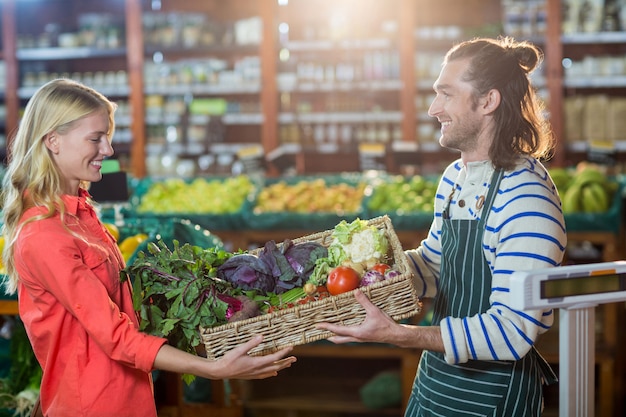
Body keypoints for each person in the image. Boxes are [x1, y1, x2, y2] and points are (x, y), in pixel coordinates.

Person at [0, 78, 296, 417]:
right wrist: (214, 368)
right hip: (95, 406)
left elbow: (121, 309)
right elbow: (116, 337)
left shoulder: (81, 214)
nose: (108, 150)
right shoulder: (45, 236)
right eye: (95, 138)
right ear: (52, 140)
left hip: (127, 398)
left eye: (107, 137)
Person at [317, 37, 567, 416]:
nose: (434, 109)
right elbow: (435, 267)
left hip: (493, 394)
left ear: (488, 101)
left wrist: (400, 335)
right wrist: (366, 274)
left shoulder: (526, 198)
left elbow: (512, 332)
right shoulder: (455, 177)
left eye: (446, 95)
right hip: (435, 379)